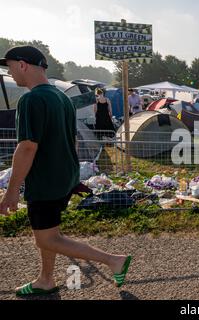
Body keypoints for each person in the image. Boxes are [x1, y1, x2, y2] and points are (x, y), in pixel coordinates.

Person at [0, 46, 132, 296]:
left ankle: (113, 260)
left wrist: (11, 191)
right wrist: (71, 176)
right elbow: (71, 141)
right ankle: (46, 279)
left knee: (47, 239)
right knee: (51, 231)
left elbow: (27, 147)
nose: (10, 72)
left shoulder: (30, 99)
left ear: (23, 65)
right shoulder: (63, 99)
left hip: (45, 182)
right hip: (65, 177)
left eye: (10, 66)